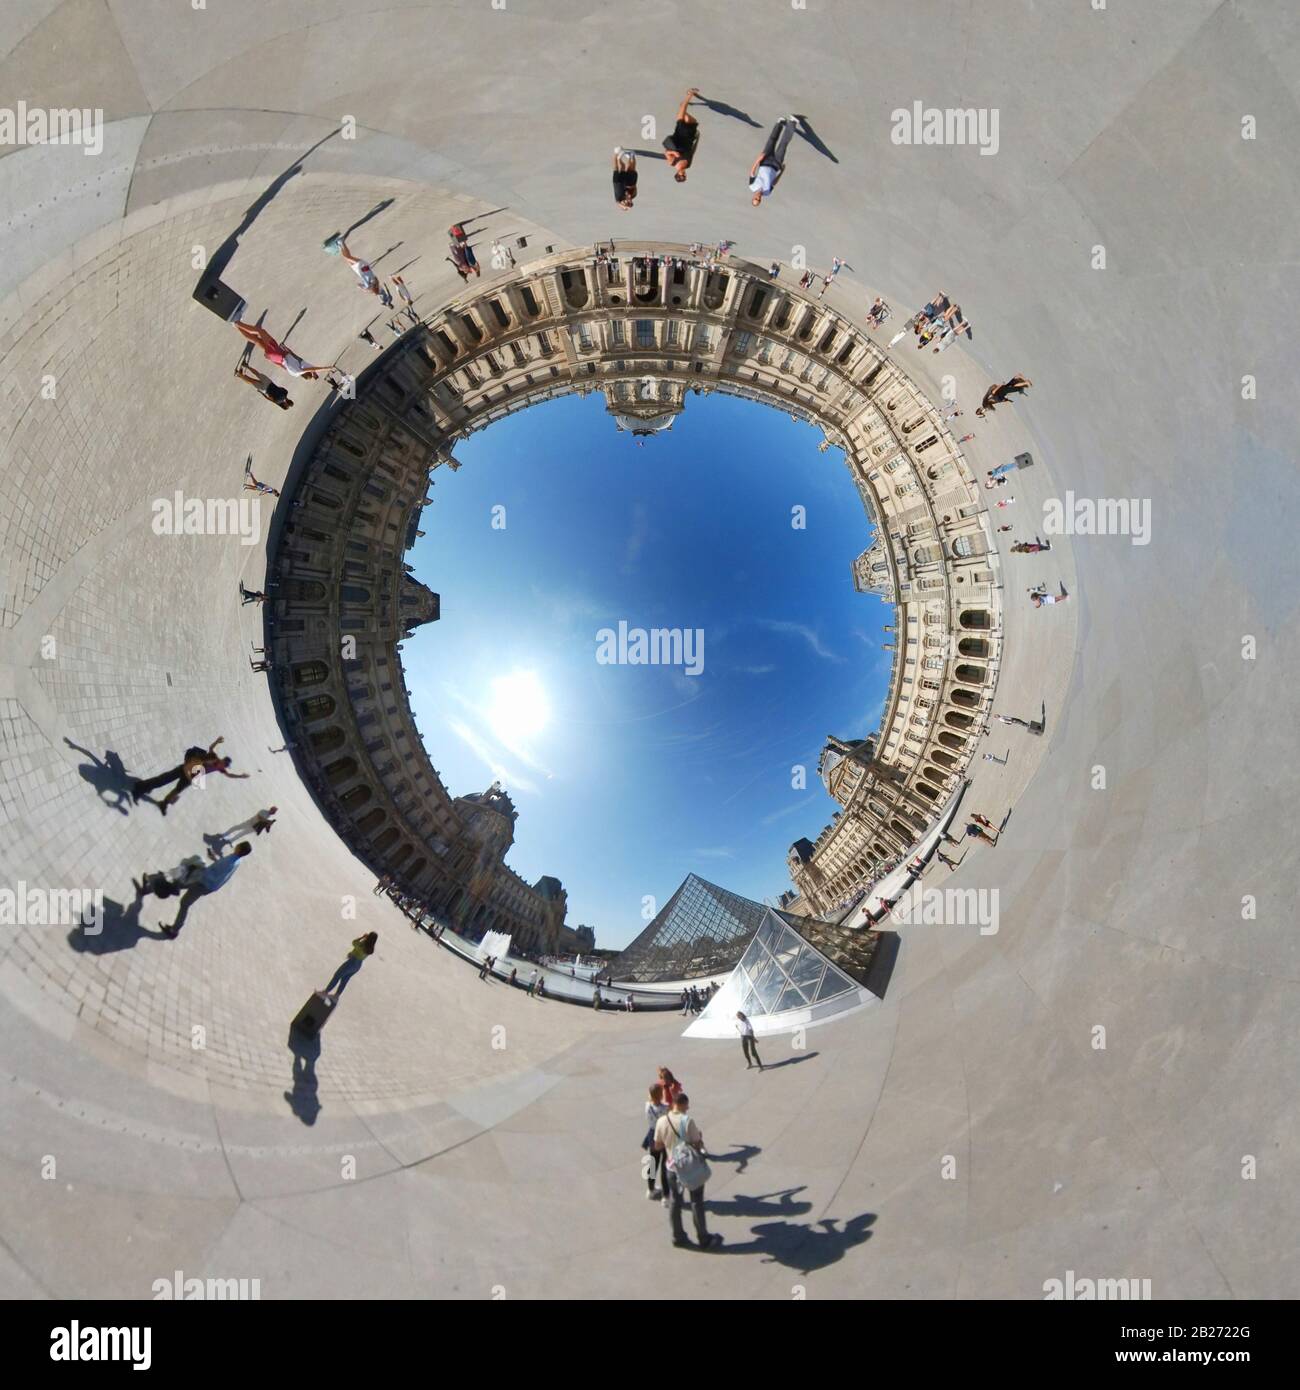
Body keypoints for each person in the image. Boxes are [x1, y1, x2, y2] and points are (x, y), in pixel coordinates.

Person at [654, 1093, 721, 1249]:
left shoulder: (662, 1121)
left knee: (675, 1202)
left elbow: (657, 1146)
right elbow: (697, 1144)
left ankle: (678, 1237)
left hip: (672, 1167)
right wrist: (698, 1139)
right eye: (687, 1105)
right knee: (696, 1201)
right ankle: (703, 1238)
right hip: (689, 1166)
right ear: (682, 1105)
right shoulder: (687, 1121)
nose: (688, 1108)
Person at [145, 842, 253, 937]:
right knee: (176, 884)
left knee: (183, 900)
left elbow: (214, 873)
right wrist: (214, 858)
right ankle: (149, 885)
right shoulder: (237, 860)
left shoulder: (230, 860)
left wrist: (200, 867)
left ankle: (174, 929)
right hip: (206, 885)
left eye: (238, 845)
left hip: (202, 883)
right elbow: (219, 871)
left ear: (239, 849)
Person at [132, 737, 248, 814]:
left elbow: (229, 775)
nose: (224, 767)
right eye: (225, 765)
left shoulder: (220, 768)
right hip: (185, 769)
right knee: (163, 780)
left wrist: (240, 776)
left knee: (176, 791)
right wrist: (217, 741)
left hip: (191, 777)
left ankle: (164, 803)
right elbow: (211, 748)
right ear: (223, 761)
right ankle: (140, 787)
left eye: (225, 767)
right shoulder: (213, 757)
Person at [232, 322, 333, 378]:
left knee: (260, 331)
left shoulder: (301, 370)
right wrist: (270, 359)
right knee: (256, 341)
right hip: (276, 358)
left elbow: (314, 369)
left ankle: (237, 322)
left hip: (278, 353)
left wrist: (328, 368)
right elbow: (282, 366)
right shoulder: (295, 373)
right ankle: (237, 327)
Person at [749, 115, 799, 204]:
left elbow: (752, 173)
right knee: (783, 144)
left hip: (765, 161)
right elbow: (774, 183)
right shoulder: (767, 192)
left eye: (756, 199)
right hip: (776, 164)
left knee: (772, 140)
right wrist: (782, 171)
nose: (758, 198)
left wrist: (758, 159)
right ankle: (792, 123)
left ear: (753, 197)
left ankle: (779, 123)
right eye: (759, 200)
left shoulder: (752, 186)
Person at [662, 88, 701, 181]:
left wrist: (673, 153)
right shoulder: (688, 165)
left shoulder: (673, 163)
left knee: (681, 119)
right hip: (690, 138)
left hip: (679, 136)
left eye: (682, 175)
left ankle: (689, 94)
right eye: (684, 176)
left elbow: (666, 153)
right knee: (693, 121)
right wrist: (697, 139)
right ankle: (683, 108)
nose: (684, 174)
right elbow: (692, 153)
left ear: (677, 174)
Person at [325, 931, 378, 997]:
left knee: (337, 975)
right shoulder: (370, 949)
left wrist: (363, 937)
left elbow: (354, 943)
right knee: (345, 979)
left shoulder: (363, 944)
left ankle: (326, 992)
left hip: (352, 962)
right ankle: (336, 996)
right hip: (358, 965)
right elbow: (358, 951)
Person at [643, 1083, 670, 1200]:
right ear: (660, 1095)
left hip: (652, 1136)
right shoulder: (664, 1108)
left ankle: (650, 1189)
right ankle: (666, 1196)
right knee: (665, 1167)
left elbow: (650, 1099)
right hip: (663, 1136)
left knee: (653, 1164)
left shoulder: (647, 1106)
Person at [211, 806, 277, 851]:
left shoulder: (270, 818)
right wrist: (267, 821)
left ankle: (231, 840)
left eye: (274, 812)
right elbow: (259, 817)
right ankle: (224, 834)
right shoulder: (263, 811)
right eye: (273, 811)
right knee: (237, 827)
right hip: (249, 823)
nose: (273, 812)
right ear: (271, 809)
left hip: (254, 828)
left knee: (242, 834)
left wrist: (269, 824)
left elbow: (266, 826)